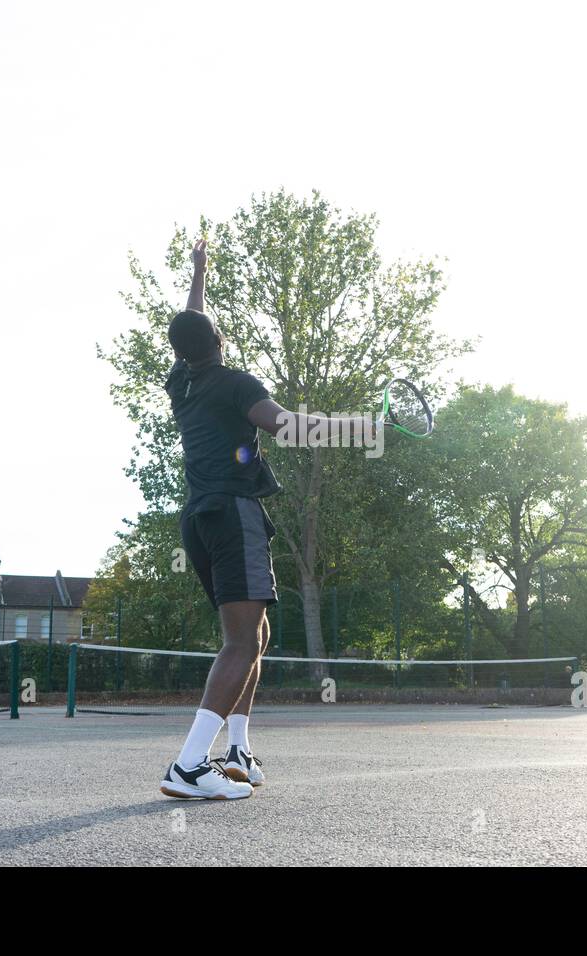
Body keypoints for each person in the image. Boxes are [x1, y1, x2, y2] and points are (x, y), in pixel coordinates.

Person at [158, 238, 375, 799]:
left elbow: (191, 329)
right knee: (240, 642)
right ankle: (187, 766)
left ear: (181, 350)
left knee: (256, 634)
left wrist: (199, 272)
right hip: (233, 514)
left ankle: (235, 748)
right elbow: (292, 428)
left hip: (199, 519)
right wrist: (366, 426)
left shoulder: (181, 384)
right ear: (219, 341)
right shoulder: (235, 384)